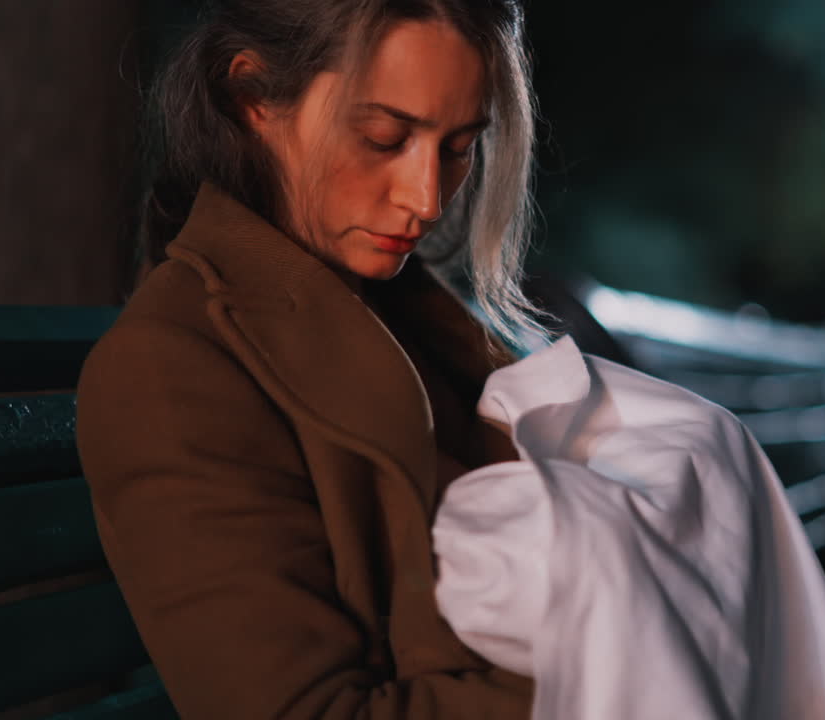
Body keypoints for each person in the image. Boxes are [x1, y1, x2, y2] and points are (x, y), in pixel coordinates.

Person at [76, 1, 543, 717]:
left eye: (458, 147)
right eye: (384, 137)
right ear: (252, 97)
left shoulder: (409, 314)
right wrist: (618, 659)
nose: (426, 199)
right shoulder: (171, 368)